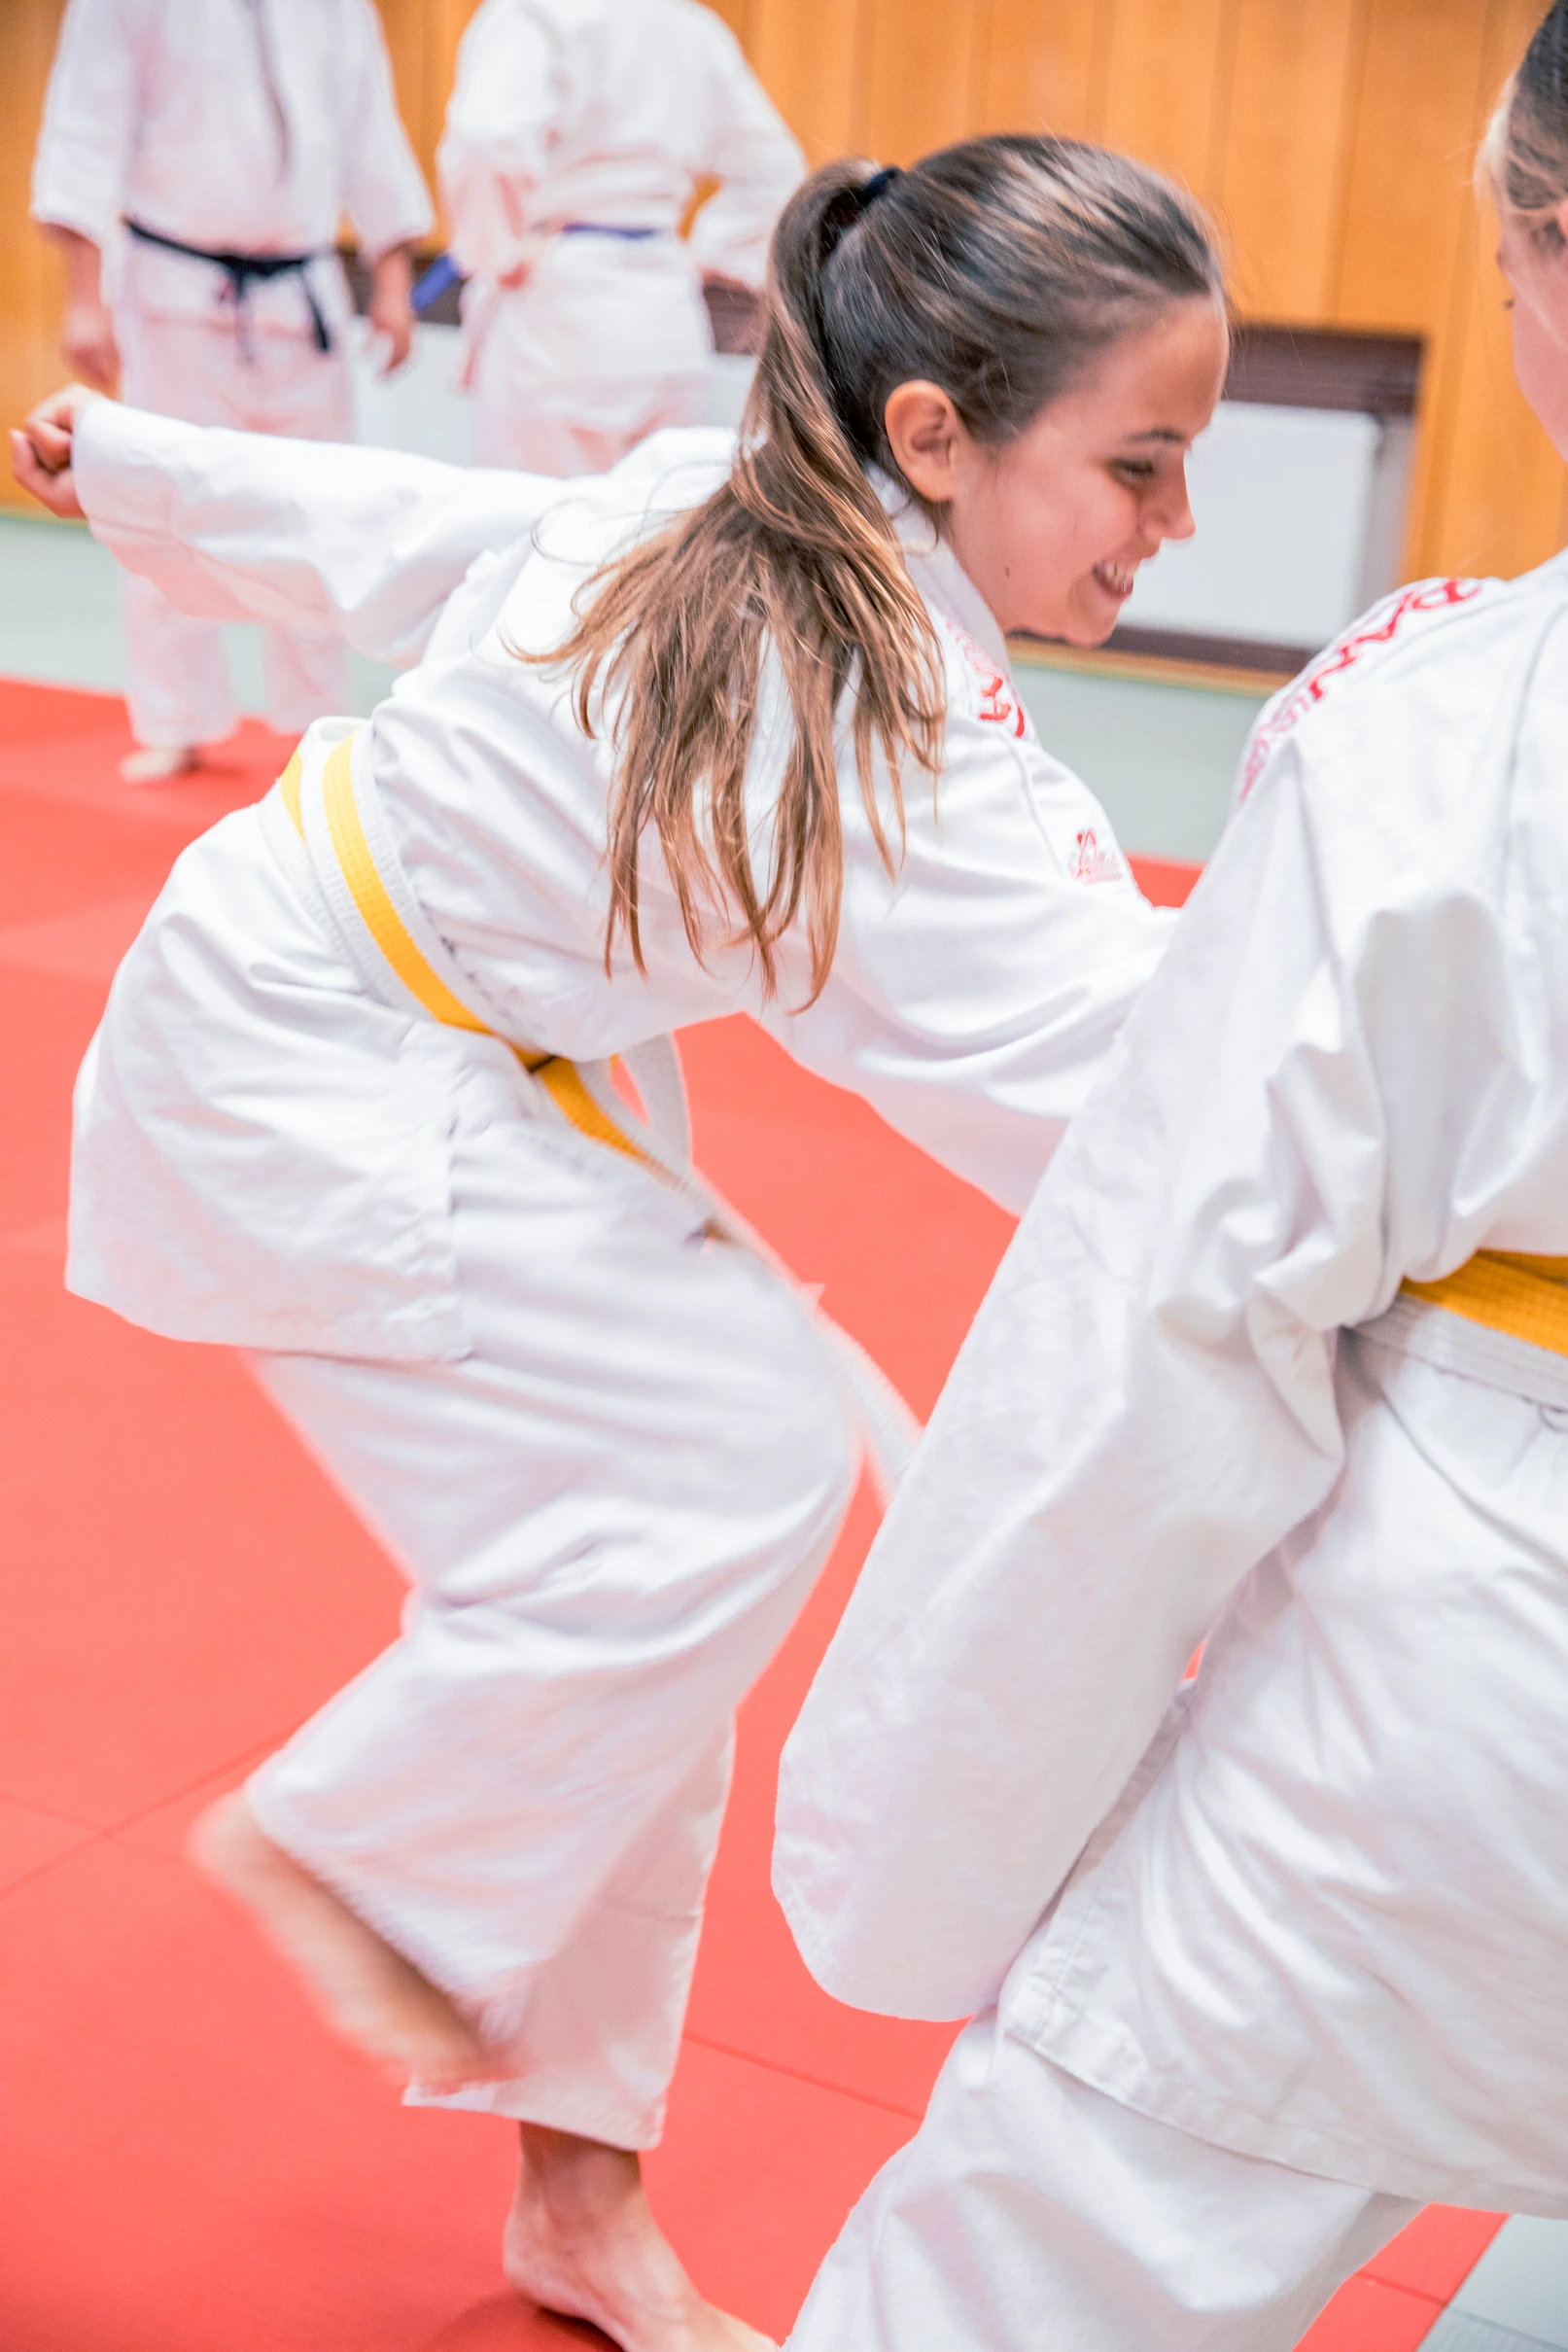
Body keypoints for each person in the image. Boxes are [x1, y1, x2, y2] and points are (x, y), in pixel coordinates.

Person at [12, 139, 1226, 2352]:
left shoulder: (742, 497)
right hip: (318, 1051)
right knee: (729, 1467)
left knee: (659, 1629)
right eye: (1137, 466)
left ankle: (579, 2201)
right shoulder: (870, 719)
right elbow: (1131, 1081)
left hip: (439, 1038)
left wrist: (164, 472)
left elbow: (440, 538)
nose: (1172, 528)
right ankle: (372, 1840)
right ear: (936, 436)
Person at [770, 18, 1568, 2350]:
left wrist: (916, 1862)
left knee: (1074, 2218)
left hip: (1465, 1735)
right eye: (1142, 465)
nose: (1165, 522)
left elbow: (1154, 1343)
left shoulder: (1443, 737)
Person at [31, 0, 434, 783]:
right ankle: (176, 718)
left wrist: (391, 276)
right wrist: (85, 295)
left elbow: (370, 129)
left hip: (301, 288)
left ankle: (314, 720)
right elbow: (85, 124)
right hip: (174, 286)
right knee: (163, 500)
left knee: (320, 508)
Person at [437, 0, 803, 474]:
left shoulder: (532, 13)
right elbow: (777, 171)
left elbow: (486, 140)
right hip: (665, 315)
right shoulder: (689, 25)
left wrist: (495, 253)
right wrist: (705, 254)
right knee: (654, 536)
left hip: (555, 315)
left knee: (537, 530)